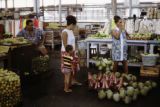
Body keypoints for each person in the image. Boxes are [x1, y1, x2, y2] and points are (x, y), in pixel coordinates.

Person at [61, 15, 81, 87]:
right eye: (74, 26)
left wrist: (76, 51)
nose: (75, 27)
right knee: (67, 70)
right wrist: (70, 54)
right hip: (67, 53)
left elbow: (73, 43)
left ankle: (73, 81)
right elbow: (65, 45)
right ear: (72, 24)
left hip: (72, 52)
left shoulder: (71, 31)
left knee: (74, 68)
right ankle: (66, 87)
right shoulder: (64, 32)